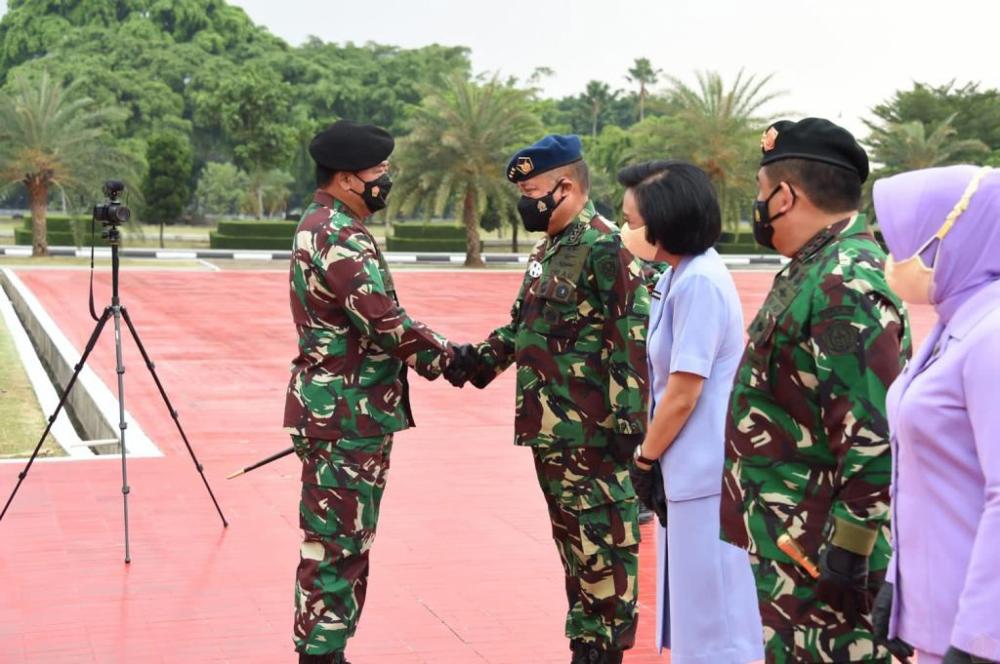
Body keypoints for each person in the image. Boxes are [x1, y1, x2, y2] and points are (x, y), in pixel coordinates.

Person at [452, 134, 651, 664]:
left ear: (565, 187)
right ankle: (584, 645)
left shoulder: (608, 247)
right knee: (576, 555)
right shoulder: (551, 249)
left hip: (596, 439)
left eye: (531, 189)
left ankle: (605, 650)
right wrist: (472, 362)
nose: (523, 200)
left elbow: (630, 341)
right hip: (553, 435)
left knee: (605, 554)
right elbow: (524, 327)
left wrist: (629, 437)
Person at [720, 117, 912, 663]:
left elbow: (872, 435)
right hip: (795, 541)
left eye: (760, 194)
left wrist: (848, 556)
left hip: (824, 554)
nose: (757, 207)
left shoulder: (844, 282)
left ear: (784, 196)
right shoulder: (816, 266)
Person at [285, 119, 459, 664]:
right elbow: (384, 322)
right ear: (344, 178)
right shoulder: (336, 234)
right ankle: (321, 655)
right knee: (337, 546)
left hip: (344, 414)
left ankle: (327, 650)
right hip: (346, 419)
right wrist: (455, 360)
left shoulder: (330, 224)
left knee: (342, 542)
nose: (386, 180)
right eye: (378, 172)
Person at [618, 160, 764, 664]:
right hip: (685, 472)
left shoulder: (700, 281)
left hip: (704, 473)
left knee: (716, 616)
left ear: (666, 221)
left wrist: (644, 458)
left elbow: (683, 390)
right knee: (695, 609)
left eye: (633, 220)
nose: (626, 230)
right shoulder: (679, 276)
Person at [870, 165, 1000, 664]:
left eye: (904, 243)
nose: (892, 259)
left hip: (975, 635)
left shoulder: (990, 335)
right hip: (939, 618)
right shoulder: (955, 321)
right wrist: (898, 586)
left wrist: (979, 639)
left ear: (951, 239)